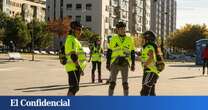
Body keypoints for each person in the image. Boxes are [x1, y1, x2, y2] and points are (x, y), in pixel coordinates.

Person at [106, 21, 135, 96]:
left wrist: (133, 64)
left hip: (125, 63)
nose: (122, 30)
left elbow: (132, 52)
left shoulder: (129, 39)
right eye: (120, 28)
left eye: (123, 28)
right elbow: (109, 51)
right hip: (114, 63)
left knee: (125, 83)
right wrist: (107, 63)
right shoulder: (113, 39)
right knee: (112, 83)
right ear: (117, 30)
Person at [64, 21, 86, 96]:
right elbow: (73, 55)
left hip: (75, 68)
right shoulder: (71, 39)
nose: (80, 31)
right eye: (79, 29)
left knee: (74, 88)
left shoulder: (75, 40)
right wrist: (78, 67)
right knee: (74, 88)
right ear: (73, 30)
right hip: (72, 67)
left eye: (81, 29)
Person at [140, 31, 163, 96]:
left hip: (150, 71)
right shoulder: (153, 46)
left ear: (148, 39)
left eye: (143, 39)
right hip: (153, 72)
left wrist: (145, 64)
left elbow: (151, 57)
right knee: (151, 93)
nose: (142, 41)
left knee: (144, 92)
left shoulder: (149, 47)